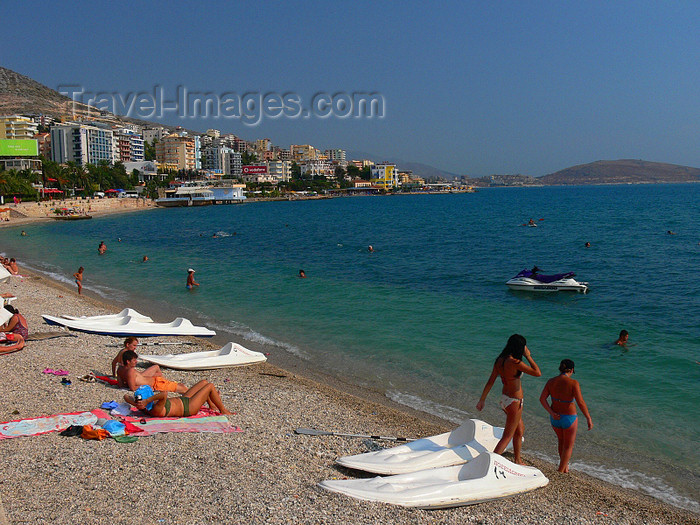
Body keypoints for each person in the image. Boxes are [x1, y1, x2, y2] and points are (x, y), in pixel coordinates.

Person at [476, 334, 541, 464]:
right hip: (514, 402)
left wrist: (482, 399)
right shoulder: (515, 362)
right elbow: (537, 373)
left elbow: (491, 381)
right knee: (507, 436)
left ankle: (517, 459)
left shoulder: (500, 360)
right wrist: (528, 356)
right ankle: (490, 463)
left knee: (519, 430)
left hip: (505, 400)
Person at [539, 359, 593, 473]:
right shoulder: (573, 383)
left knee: (561, 442)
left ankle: (565, 467)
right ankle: (560, 471)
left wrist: (551, 413)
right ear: (572, 370)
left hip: (555, 417)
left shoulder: (551, 381)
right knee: (568, 446)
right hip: (569, 418)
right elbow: (581, 402)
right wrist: (588, 417)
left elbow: (542, 399)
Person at [124, 379, 231, 417]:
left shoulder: (142, 407)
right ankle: (223, 410)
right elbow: (164, 394)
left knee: (204, 383)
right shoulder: (155, 409)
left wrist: (135, 403)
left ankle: (212, 405)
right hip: (188, 407)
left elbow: (126, 396)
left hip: (184, 400)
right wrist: (146, 400)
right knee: (210, 386)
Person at [116, 349, 187, 394]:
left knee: (181, 386)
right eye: (134, 360)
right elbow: (133, 388)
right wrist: (148, 387)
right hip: (157, 385)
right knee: (183, 388)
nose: (136, 362)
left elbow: (121, 385)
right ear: (128, 361)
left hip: (156, 382)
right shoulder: (130, 371)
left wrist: (129, 383)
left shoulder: (120, 369)